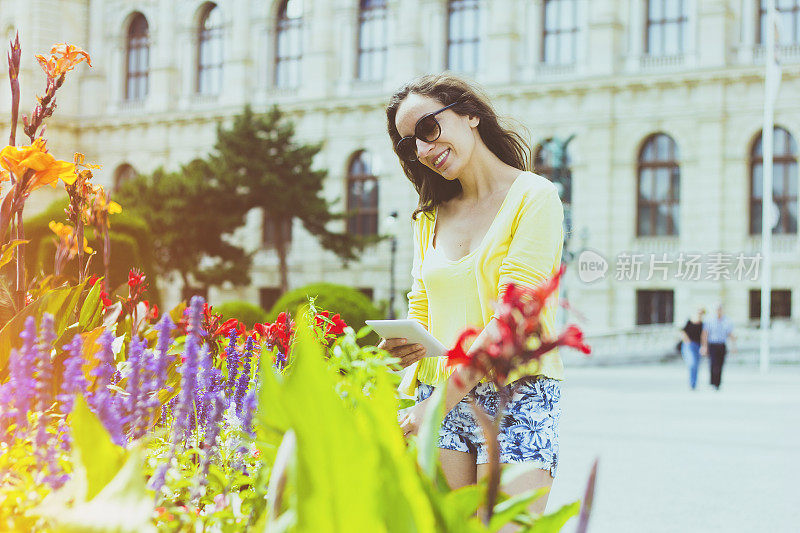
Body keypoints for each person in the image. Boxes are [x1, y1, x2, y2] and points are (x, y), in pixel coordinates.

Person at [378, 73, 565, 515]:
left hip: (516, 392)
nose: (423, 150)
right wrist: (399, 348)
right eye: (410, 145)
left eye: (427, 129)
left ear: (470, 114)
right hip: (437, 394)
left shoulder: (533, 197)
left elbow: (513, 319)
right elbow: (420, 309)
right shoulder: (429, 217)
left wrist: (435, 407)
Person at [701, 304, 735, 390]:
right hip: (712, 345)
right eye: (717, 310)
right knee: (713, 364)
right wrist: (704, 346)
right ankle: (713, 382)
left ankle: (718, 383)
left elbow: (730, 334)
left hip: (722, 345)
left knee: (720, 364)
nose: (719, 311)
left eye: (720, 309)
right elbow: (705, 334)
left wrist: (733, 346)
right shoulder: (710, 320)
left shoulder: (727, 320)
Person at [679, 307, 705, 390]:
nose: (700, 314)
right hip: (689, 345)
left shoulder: (703, 324)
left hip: (698, 346)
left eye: (702, 313)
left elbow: (704, 336)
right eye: (699, 312)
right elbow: (683, 331)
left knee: (696, 365)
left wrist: (704, 346)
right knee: (692, 363)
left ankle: (693, 384)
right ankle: (692, 383)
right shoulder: (689, 321)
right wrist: (687, 341)